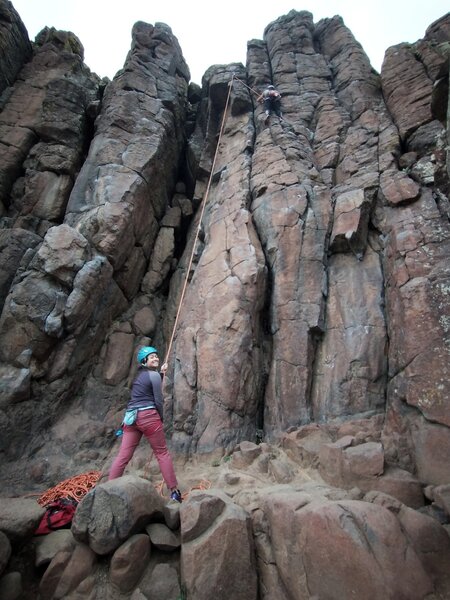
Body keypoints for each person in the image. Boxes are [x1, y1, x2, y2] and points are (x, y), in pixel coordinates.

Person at [109, 346, 182, 503]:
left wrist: (161, 374)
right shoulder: (153, 375)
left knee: (123, 456)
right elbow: (158, 400)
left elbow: (149, 386)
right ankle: (174, 492)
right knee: (162, 453)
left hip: (131, 418)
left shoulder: (140, 376)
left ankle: (108, 489)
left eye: (156, 356)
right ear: (144, 361)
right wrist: (160, 418)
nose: (156, 358)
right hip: (149, 417)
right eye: (152, 357)